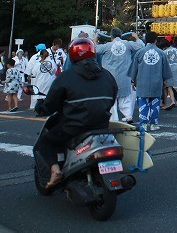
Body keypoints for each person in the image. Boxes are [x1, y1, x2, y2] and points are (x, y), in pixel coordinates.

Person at [33, 38, 117, 189]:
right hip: (101, 125)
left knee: (45, 142)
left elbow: (51, 104)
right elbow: (112, 97)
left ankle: (55, 170)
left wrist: (41, 108)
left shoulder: (66, 77)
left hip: (74, 127)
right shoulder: (107, 75)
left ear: (72, 54)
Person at [128, 31, 171, 131]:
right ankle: (153, 124)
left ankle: (143, 125)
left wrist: (133, 81)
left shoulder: (139, 52)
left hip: (142, 82)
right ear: (156, 40)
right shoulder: (161, 53)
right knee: (155, 104)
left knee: (143, 104)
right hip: (157, 82)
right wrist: (164, 81)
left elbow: (134, 69)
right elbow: (165, 71)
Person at [97, 29, 143, 123]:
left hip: (110, 77)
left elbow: (94, 49)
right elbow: (141, 46)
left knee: (111, 99)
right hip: (124, 76)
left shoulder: (107, 46)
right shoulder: (127, 44)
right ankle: (128, 116)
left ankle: (114, 119)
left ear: (111, 37)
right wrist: (136, 38)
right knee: (125, 98)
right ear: (121, 35)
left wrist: (94, 39)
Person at [162, 35, 177, 110]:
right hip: (176, 69)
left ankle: (172, 101)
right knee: (168, 86)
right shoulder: (175, 49)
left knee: (168, 86)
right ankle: (173, 101)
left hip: (168, 70)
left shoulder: (164, 52)